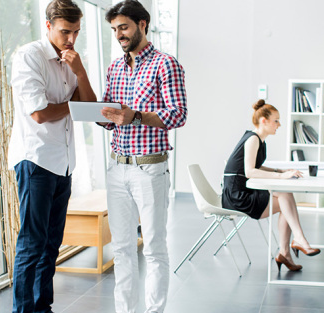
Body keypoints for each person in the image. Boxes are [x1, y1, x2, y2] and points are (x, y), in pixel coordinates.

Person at [7, 0, 96, 311]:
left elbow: (89, 108)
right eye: (64, 32)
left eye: (76, 32)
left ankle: (42, 307)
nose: (70, 39)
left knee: (51, 244)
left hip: (64, 162)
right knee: (32, 243)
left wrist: (80, 71)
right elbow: (41, 114)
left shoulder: (70, 62)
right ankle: (23, 309)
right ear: (48, 26)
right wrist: (74, 105)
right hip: (36, 161)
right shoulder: (29, 56)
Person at [99, 0, 187, 312]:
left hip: (150, 169)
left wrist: (135, 116)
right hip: (117, 168)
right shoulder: (114, 67)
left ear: (143, 24)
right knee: (121, 249)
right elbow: (113, 116)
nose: (119, 34)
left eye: (124, 27)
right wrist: (102, 115)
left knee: (153, 249)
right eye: (114, 29)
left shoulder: (166, 64)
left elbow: (177, 115)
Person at [222, 99, 320, 272]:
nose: (279, 124)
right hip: (237, 196)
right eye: (276, 120)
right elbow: (250, 172)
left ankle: (286, 251)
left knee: (285, 199)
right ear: (264, 121)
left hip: (244, 190)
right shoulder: (252, 139)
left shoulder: (259, 140)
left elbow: (256, 167)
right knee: (284, 195)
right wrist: (281, 176)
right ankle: (296, 242)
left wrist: (280, 170)